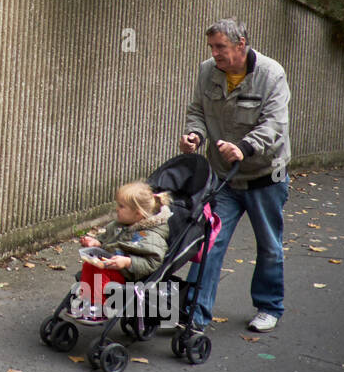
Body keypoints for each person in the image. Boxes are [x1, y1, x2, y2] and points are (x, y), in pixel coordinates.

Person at [179, 17, 291, 333]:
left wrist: (245, 147)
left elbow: (275, 125)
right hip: (223, 178)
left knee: (269, 245)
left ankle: (269, 307)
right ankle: (194, 315)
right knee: (208, 242)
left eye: (221, 47)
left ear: (241, 44)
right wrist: (194, 135)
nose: (214, 53)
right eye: (212, 47)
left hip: (265, 174)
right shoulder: (207, 72)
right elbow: (197, 111)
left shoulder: (271, 74)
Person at [74, 181, 173, 321]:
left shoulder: (150, 237)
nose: (116, 209)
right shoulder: (118, 225)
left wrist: (128, 262)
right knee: (89, 265)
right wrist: (96, 242)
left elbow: (152, 262)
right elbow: (106, 239)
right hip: (110, 263)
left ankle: (99, 308)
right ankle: (86, 301)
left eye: (121, 206)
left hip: (129, 275)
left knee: (99, 272)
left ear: (137, 214)